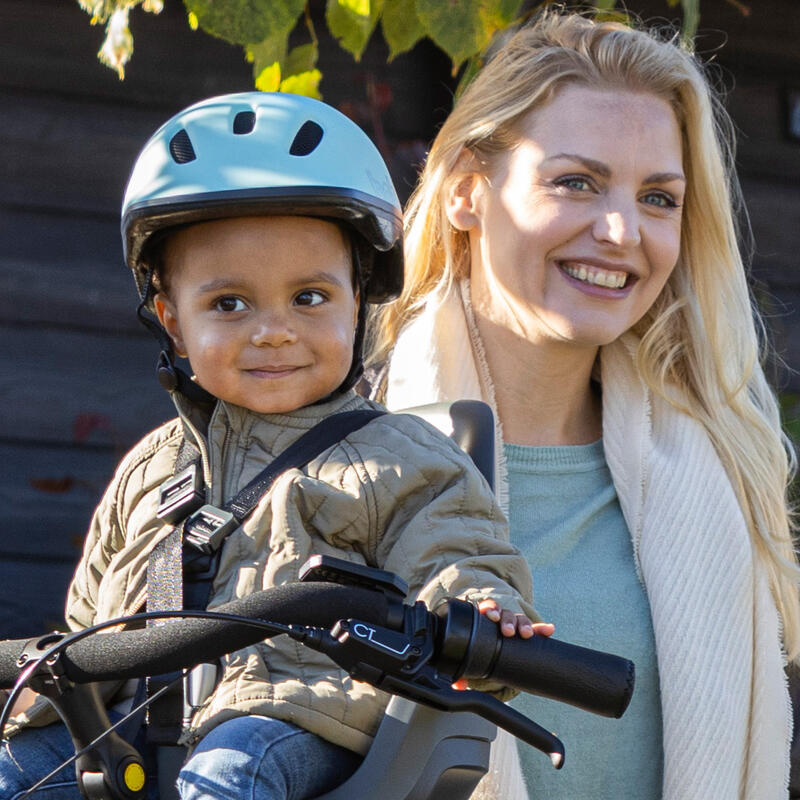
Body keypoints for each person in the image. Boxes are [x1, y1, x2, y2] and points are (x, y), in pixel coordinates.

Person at [0, 92, 545, 800]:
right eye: (229, 304)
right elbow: (87, 625)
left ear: (359, 298)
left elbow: (456, 551)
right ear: (172, 321)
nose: (273, 330)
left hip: (296, 716)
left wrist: (481, 610)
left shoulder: (402, 456)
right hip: (131, 727)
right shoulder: (150, 470)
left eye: (309, 297)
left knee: (229, 774)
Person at [369, 10, 800, 800]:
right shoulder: (353, 467)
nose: (620, 231)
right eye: (576, 182)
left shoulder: (720, 471)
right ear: (468, 191)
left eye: (659, 198)